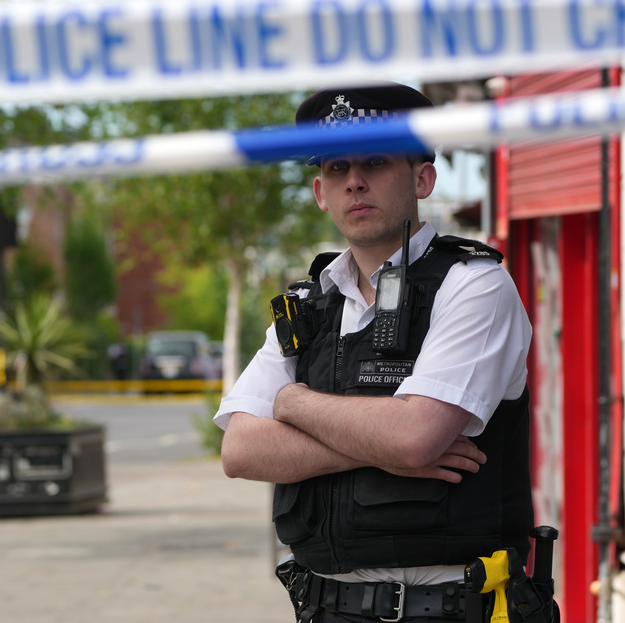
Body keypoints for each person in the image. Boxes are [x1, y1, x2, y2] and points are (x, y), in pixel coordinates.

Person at [214, 82, 534, 623]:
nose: (354, 181)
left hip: (454, 609)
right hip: (324, 606)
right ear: (320, 190)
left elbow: (414, 438)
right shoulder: (309, 305)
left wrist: (292, 405)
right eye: (337, 168)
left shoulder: (474, 286)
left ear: (423, 178)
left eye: (376, 161)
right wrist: (377, 443)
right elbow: (241, 451)